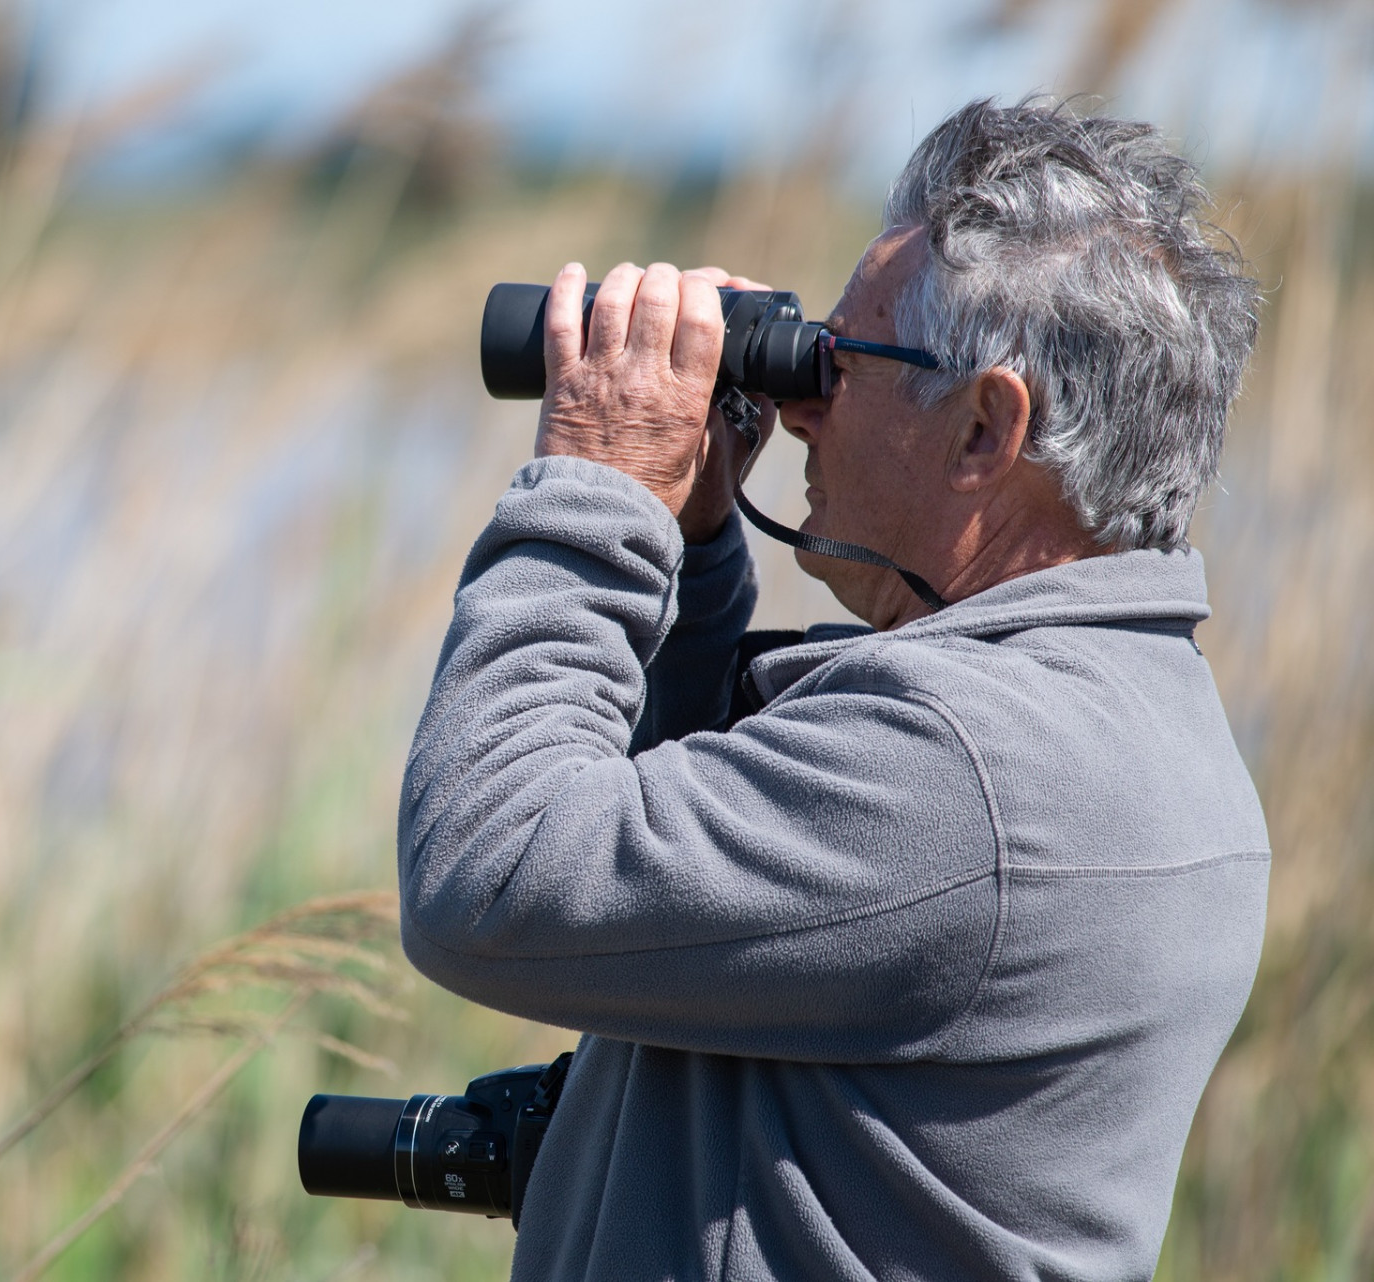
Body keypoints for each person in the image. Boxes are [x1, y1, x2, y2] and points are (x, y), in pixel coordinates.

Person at [398, 98, 1269, 1281]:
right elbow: (719, 892)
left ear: (984, 429)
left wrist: (594, 490)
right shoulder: (1120, 713)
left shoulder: (972, 770)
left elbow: (487, 877)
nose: (802, 405)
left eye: (845, 365)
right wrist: (700, 543)